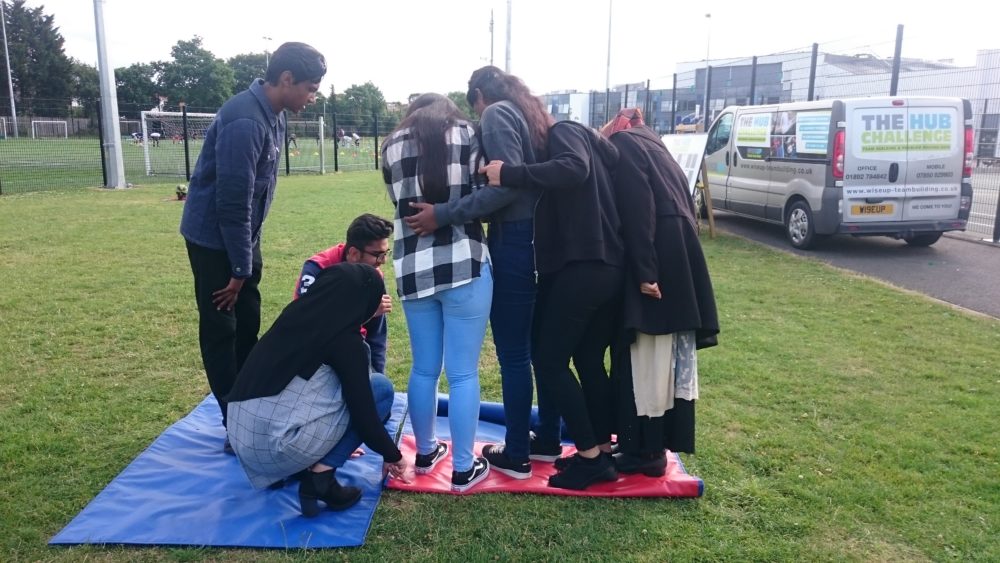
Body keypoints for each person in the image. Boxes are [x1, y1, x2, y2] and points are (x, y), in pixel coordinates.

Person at [404, 66, 561, 481]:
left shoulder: (495, 114)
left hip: (512, 241)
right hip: (531, 240)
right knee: (529, 349)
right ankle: (541, 441)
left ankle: (519, 453)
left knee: (512, 354)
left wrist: (444, 213)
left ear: (477, 94)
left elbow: (506, 185)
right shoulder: (526, 114)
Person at [179, 41, 326, 452]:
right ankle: (236, 426)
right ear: (285, 79)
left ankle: (251, 410)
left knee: (248, 325)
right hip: (215, 241)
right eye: (310, 88)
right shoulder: (246, 120)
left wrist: (247, 261)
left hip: (244, 238)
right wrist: (239, 270)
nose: (312, 98)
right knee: (222, 330)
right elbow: (231, 203)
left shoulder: (274, 115)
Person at [479, 118, 624, 491]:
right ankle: (600, 448)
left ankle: (590, 458)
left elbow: (572, 168)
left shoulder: (563, 132)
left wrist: (510, 172)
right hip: (607, 266)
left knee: (547, 361)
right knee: (589, 359)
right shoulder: (590, 143)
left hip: (583, 267)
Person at [226, 263, 412, 517]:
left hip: (239, 438)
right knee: (379, 389)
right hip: (274, 449)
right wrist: (394, 455)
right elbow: (365, 416)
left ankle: (303, 465)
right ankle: (320, 480)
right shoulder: (347, 343)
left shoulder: (295, 315)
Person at [382, 93, 494, 492]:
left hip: (413, 270)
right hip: (465, 265)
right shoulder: (468, 134)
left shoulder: (391, 144)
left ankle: (426, 451)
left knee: (423, 368)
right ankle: (463, 468)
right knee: (463, 373)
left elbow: (396, 202)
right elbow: (485, 198)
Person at [600, 108, 719, 476]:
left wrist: (645, 271)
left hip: (658, 256)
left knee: (647, 353)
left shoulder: (624, 143)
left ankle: (646, 452)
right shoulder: (654, 142)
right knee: (659, 354)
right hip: (677, 253)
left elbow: (639, 209)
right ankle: (645, 446)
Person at [293, 213, 394, 373]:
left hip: (353, 350)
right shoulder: (317, 269)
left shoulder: (374, 275)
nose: (383, 261)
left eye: (386, 253)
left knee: (381, 388)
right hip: (314, 354)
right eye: (378, 255)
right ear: (354, 253)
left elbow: (377, 337)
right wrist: (365, 313)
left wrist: (376, 374)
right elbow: (308, 324)